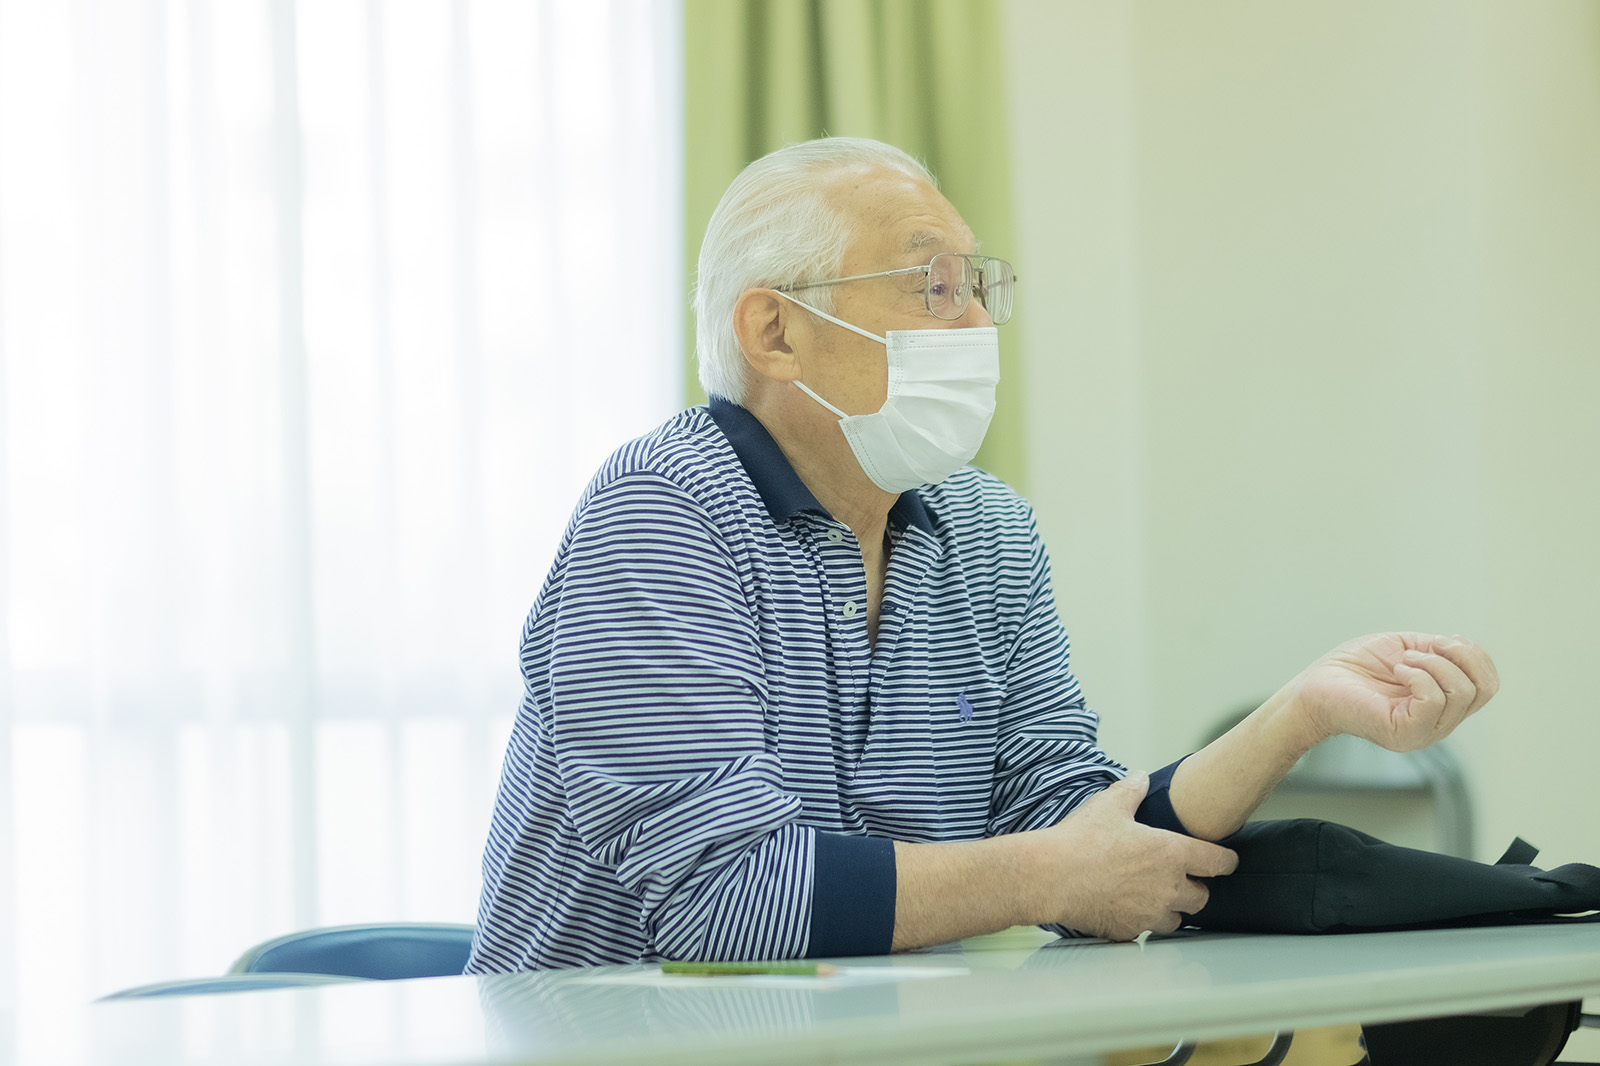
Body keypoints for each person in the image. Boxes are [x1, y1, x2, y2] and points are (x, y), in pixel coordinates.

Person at [464, 138, 1498, 973]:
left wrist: (1299, 713)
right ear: (774, 330)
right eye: (931, 284)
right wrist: (1045, 877)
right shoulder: (658, 511)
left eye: (977, 285)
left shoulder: (989, 533)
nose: (975, 321)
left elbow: (1074, 825)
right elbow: (724, 900)